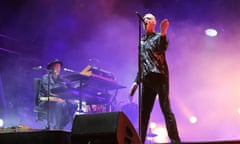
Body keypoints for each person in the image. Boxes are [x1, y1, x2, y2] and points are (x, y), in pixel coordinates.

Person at [129, 13, 181, 143]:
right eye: (144, 19)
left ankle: (175, 140)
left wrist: (163, 32)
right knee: (144, 113)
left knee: (166, 109)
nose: (145, 20)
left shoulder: (159, 37)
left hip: (160, 77)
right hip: (147, 79)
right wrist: (136, 81)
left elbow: (162, 47)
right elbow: (142, 63)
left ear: (154, 23)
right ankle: (140, 140)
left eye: (149, 19)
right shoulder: (141, 41)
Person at [38, 59, 76, 130]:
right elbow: (49, 92)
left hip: (58, 99)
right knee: (60, 104)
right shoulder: (46, 77)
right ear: (51, 68)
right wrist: (60, 98)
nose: (58, 69)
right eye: (56, 66)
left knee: (74, 104)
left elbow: (64, 91)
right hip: (45, 100)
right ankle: (58, 128)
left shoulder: (60, 79)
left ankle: (61, 125)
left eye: (59, 67)